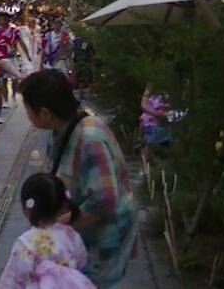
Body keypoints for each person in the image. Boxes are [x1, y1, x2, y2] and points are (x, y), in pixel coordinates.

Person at [20, 70, 136, 288]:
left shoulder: (90, 138)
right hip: (83, 236)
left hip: (103, 239)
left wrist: (57, 225)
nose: (26, 113)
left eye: (27, 108)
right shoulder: (63, 129)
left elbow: (105, 200)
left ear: (45, 113)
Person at [0, 173, 94, 289]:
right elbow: (81, 261)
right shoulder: (71, 235)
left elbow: (13, 279)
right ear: (60, 207)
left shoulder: (26, 243)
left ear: (26, 209)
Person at [138, 86, 171, 162]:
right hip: (153, 121)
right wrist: (157, 115)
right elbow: (144, 105)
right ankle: (146, 164)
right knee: (151, 144)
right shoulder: (151, 88)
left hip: (166, 120)